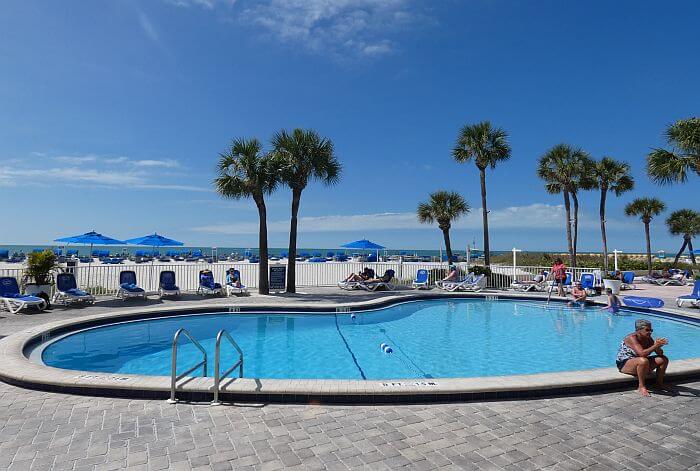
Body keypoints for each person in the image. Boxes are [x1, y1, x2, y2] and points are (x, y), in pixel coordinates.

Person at [616, 319, 670, 397]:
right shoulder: (631, 338)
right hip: (625, 364)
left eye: (651, 330)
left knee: (663, 359)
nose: (650, 332)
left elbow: (660, 353)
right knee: (643, 361)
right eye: (647, 330)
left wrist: (658, 347)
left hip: (641, 362)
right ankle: (641, 386)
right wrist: (655, 345)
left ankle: (659, 383)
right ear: (638, 330)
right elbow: (642, 354)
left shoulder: (648, 338)